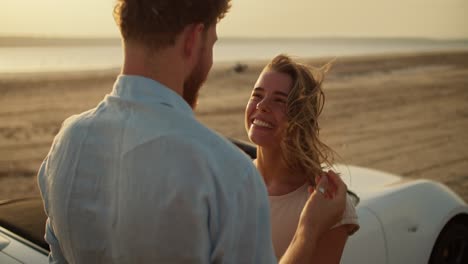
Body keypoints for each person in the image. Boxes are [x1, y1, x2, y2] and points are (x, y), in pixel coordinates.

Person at [37, 1, 347, 263]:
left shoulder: (67, 144)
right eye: (212, 44)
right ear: (193, 40)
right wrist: (308, 231)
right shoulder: (226, 174)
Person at [245, 54, 360, 262]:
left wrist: (309, 228)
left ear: (301, 117)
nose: (262, 105)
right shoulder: (230, 179)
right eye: (257, 95)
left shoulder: (325, 203)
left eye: (279, 100)